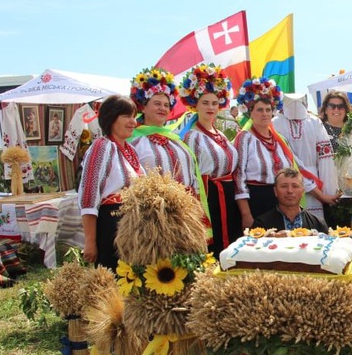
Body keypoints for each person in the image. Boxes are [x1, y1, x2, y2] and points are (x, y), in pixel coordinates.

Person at [235, 77, 337, 230]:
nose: (265, 114)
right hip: (256, 201)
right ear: (250, 113)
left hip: (279, 203)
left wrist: (322, 196)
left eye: (268, 110)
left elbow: (297, 171)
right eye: (259, 110)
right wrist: (246, 214)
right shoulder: (245, 138)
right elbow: (239, 178)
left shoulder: (279, 140)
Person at [179, 63, 240, 255]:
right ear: (195, 105)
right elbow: (189, 174)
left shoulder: (221, 134)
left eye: (214, 103)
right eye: (205, 103)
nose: (210, 107)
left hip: (229, 195)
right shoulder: (192, 136)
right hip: (209, 196)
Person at [78, 95, 143, 271]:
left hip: (131, 223)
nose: (133, 122)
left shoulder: (130, 151)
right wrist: (90, 242)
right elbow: (89, 196)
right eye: (126, 116)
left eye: (134, 117)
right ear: (111, 118)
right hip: (112, 223)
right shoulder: (102, 146)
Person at [128, 67, 200, 195]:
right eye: (157, 103)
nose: (162, 108)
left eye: (166, 105)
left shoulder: (176, 140)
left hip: (186, 209)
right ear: (143, 108)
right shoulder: (133, 141)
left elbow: (192, 175)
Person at [273, 93, 340, 221]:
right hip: (297, 182)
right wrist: (326, 193)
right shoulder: (276, 123)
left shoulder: (314, 122)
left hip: (295, 183)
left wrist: (327, 192)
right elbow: (325, 158)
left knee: (311, 222)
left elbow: (325, 157)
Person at [251, 168, 329, 233]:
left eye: (295, 186)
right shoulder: (261, 224)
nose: (290, 191)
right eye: (284, 186)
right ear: (275, 191)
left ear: (303, 191)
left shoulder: (317, 224)